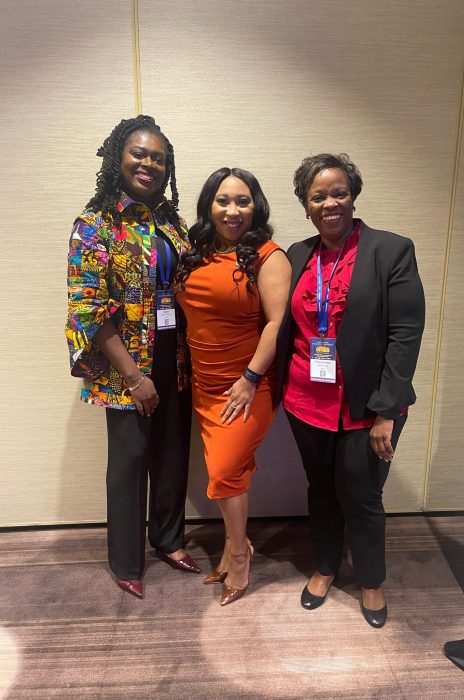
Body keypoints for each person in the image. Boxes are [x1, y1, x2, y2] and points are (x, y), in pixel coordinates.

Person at [276, 153, 425, 627]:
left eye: (338, 192)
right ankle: (324, 566)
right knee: (320, 489)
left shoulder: (391, 250)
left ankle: (372, 581)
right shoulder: (297, 256)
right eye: (317, 196)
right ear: (305, 205)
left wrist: (388, 410)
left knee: (361, 495)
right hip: (305, 399)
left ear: (354, 194)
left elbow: (406, 333)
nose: (329, 203)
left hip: (368, 405)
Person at [65, 115, 200, 600]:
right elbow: (86, 306)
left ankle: (168, 539)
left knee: (171, 453)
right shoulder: (95, 224)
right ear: (117, 158)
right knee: (128, 459)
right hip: (126, 363)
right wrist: (132, 376)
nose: (149, 164)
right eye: (139, 154)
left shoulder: (171, 222)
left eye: (159, 158)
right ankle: (126, 560)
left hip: (174, 355)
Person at [177, 167, 291, 605]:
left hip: (248, 384)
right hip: (205, 384)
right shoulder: (198, 252)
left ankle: (240, 555)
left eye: (242, 200)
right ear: (209, 204)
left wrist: (249, 378)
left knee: (224, 472)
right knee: (228, 474)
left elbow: (279, 324)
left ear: (256, 205)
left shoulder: (268, 255)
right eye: (223, 200)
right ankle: (230, 545)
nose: (232, 209)